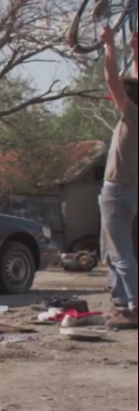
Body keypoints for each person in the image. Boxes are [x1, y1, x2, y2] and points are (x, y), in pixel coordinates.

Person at [99, 27, 138, 330]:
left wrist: (110, 46)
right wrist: (136, 54)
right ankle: (121, 305)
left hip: (118, 192)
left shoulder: (132, 115)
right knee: (116, 252)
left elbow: (114, 81)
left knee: (122, 253)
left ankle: (134, 306)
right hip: (130, 193)